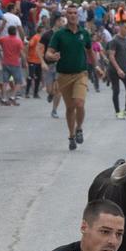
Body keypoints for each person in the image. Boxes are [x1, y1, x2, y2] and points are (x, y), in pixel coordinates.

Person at [44, 11, 93, 151]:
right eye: (70, 13)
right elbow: (48, 52)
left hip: (81, 73)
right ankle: (71, 136)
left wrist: (95, 67)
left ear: (78, 16)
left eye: (75, 13)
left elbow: (90, 51)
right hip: (64, 75)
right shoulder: (59, 34)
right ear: (66, 16)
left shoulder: (84, 33)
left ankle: (79, 128)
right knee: (70, 107)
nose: (73, 15)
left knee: (79, 103)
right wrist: (52, 57)